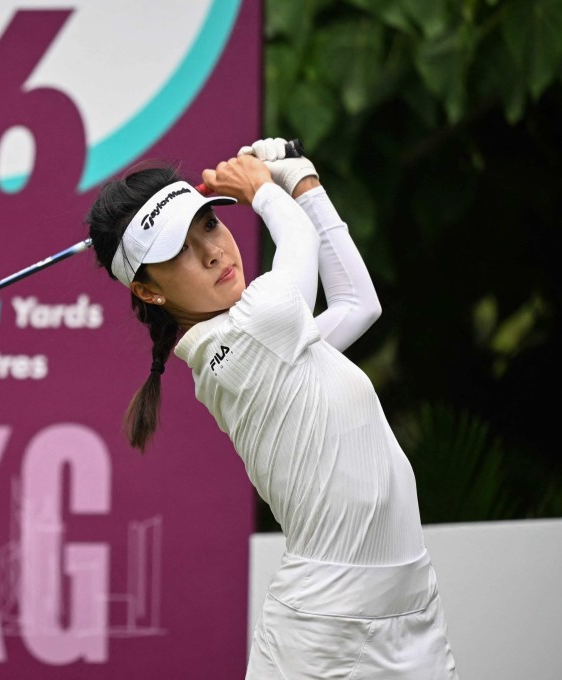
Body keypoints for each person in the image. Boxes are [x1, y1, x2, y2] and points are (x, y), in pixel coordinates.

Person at [84, 138, 459, 679]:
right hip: (326, 627)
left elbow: (358, 303)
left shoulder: (277, 338)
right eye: (178, 252)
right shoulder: (237, 343)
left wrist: (302, 180)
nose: (213, 252)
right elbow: (299, 250)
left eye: (209, 226)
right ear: (148, 290)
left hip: (410, 606)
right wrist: (264, 187)